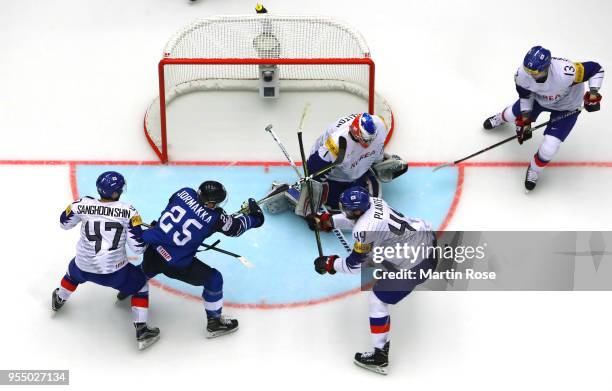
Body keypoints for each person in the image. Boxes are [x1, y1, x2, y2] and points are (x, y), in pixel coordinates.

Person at [308, 186, 438, 375]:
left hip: (418, 264)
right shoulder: (375, 202)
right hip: (426, 237)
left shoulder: (364, 229)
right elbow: (360, 220)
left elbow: (353, 266)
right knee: (377, 253)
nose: (343, 210)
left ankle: (380, 355)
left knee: (377, 300)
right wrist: (329, 221)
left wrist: (330, 263)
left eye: (345, 208)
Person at [141, 180, 264, 338]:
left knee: (146, 270)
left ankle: (127, 287)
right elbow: (236, 228)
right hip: (176, 264)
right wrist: (256, 217)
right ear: (211, 202)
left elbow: (173, 210)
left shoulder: (183, 192)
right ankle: (215, 323)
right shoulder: (216, 217)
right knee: (214, 279)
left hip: (154, 249)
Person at [52, 171, 159, 350]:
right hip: (114, 273)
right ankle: (141, 330)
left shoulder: (82, 204)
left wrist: (76, 207)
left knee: (72, 273)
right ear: (116, 193)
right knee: (141, 285)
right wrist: (146, 232)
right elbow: (138, 248)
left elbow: (64, 223)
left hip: (83, 266)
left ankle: (59, 299)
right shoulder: (129, 211)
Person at [483, 46, 604, 191]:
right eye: (528, 71)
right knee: (510, 114)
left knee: (549, 148)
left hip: (567, 106)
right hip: (538, 100)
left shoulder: (566, 72)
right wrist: (526, 120)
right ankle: (501, 118)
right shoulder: (522, 75)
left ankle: (534, 170)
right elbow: (525, 97)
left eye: (534, 72)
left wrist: (593, 93)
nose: (530, 75)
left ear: (547, 67)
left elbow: (596, 69)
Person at [263, 112, 407, 215]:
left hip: (356, 169)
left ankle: (365, 175)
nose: (368, 144)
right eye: (365, 141)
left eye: (371, 139)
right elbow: (315, 166)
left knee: (368, 202)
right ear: (355, 132)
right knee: (332, 209)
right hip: (334, 174)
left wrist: (380, 161)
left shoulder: (379, 125)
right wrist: (313, 193)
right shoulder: (336, 143)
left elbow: (377, 145)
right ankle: (288, 192)